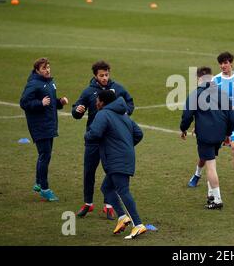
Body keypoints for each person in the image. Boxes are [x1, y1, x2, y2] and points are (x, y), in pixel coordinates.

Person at [72, 61, 135, 219]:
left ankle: (108, 205)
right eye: (101, 75)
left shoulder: (118, 88)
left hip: (110, 141)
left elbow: (130, 103)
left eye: (107, 75)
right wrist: (77, 111)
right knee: (89, 170)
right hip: (94, 139)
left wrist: (126, 112)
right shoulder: (88, 92)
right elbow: (77, 108)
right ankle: (88, 203)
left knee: (111, 172)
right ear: (95, 75)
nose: (105, 78)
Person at [187, 52, 234, 196]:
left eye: (226, 62)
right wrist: (199, 123)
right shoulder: (215, 80)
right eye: (221, 63)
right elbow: (204, 100)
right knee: (207, 151)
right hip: (217, 120)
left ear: (231, 63)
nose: (223, 65)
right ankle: (197, 174)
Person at [84, 90, 146, 239]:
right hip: (122, 156)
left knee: (123, 190)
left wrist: (86, 136)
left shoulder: (103, 114)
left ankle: (138, 224)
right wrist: (126, 146)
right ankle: (122, 217)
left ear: (103, 102)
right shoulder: (123, 114)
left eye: (97, 100)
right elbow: (139, 133)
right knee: (106, 188)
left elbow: (95, 133)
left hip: (116, 158)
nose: (96, 102)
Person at [180, 67, 234, 209]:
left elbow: (187, 115)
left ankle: (217, 199)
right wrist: (228, 134)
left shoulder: (196, 94)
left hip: (205, 135)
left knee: (210, 166)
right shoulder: (221, 93)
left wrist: (183, 129)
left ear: (199, 78)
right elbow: (231, 117)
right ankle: (210, 195)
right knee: (211, 159)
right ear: (211, 78)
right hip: (219, 134)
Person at [20, 58, 69, 202]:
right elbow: (24, 102)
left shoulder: (50, 82)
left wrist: (60, 102)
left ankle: (38, 183)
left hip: (49, 124)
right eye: (43, 68)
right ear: (37, 71)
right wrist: (40, 103)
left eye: (48, 67)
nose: (47, 70)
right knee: (45, 155)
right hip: (39, 125)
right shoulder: (34, 84)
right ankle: (45, 189)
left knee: (44, 155)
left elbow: (51, 103)